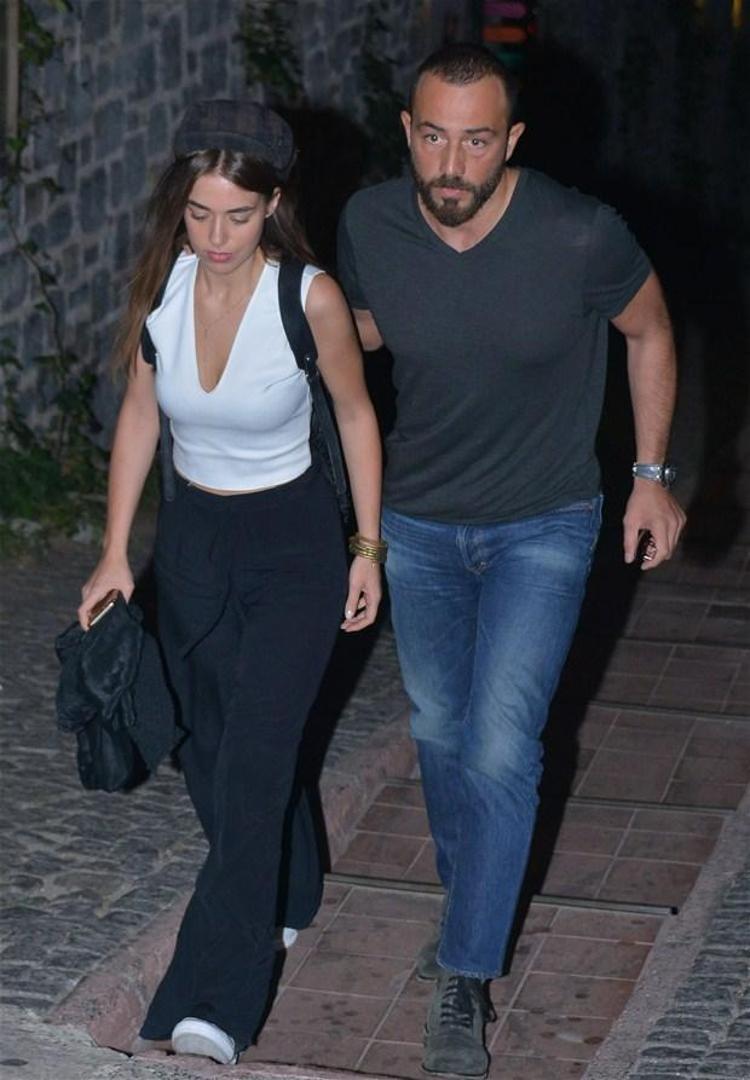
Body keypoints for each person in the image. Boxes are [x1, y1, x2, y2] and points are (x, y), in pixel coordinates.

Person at [337, 43, 686, 1079]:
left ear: (512, 142)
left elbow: (651, 332)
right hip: (418, 526)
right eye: (433, 138)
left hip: (545, 523)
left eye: (477, 141)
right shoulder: (370, 223)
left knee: (499, 746)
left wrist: (652, 475)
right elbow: (364, 332)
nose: (452, 165)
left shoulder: (580, 233)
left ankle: (464, 972)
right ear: (408, 132)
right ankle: (474, 904)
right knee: (439, 731)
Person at [79, 99, 384, 1065]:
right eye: (200, 213)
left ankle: (214, 995)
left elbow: (356, 417)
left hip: (293, 548)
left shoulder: (310, 298)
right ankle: (292, 885)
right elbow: (140, 415)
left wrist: (367, 548)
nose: (217, 236)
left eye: (239, 216)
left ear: (274, 205)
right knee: (207, 755)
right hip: (195, 545)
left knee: (254, 766)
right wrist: (115, 552)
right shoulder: (165, 287)